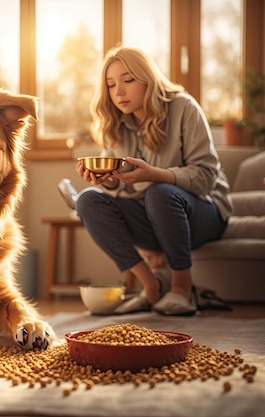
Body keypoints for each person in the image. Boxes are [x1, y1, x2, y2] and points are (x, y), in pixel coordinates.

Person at [65, 46, 233, 316]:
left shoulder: (184, 107)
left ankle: (182, 288)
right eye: (111, 84)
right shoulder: (115, 123)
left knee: (160, 192)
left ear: (148, 79)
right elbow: (119, 185)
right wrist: (106, 181)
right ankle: (151, 284)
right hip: (152, 217)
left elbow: (205, 178)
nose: (119, 91)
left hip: (204, 214)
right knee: (87, 200)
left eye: (128, 80)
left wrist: (155, 174)